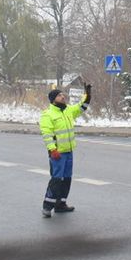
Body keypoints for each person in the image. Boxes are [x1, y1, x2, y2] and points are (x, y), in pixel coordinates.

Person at [39, 83, 91, 217]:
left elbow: (81, 107)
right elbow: (47, 134)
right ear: (53, 99)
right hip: (57, 153)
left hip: (68, 151)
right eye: (59, 95)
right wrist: (52, 150)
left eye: (62, 94)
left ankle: (60, 204)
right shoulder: (47, 115)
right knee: (56, 179)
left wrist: (87, 94)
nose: (63, 97)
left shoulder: (68, 110)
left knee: (67, 178)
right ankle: (47, 206)